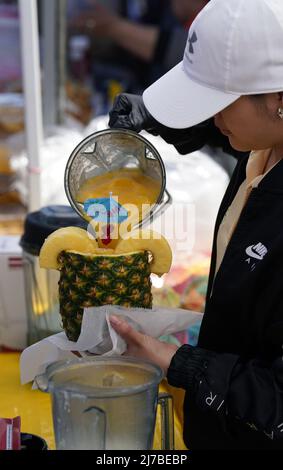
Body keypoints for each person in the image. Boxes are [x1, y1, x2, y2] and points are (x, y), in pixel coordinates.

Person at [108, 0, 283, 450]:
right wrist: (159, 116)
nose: (214, 118)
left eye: (218, 103)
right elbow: (238, 132)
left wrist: (177, 361)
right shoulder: (264, 148)